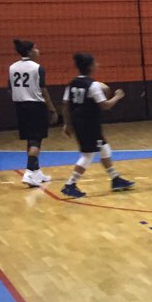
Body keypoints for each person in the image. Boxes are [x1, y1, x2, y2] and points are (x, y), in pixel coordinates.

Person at [60, 52, 135, 198]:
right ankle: (70, 185)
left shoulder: (72, 83)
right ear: (90, 67)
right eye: (95, 63)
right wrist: (117, 97)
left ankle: (115, 179)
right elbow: (105, 105)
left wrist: (67, 124)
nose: (97, 65)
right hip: (89, 124)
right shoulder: (92, 85)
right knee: (88, 155)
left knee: (104, 148)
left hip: (79, 123)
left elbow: (65, 105)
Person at [10, 39, 58, 188]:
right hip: (35, 106)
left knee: (31, 140)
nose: (38, 50)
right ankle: (29, 172)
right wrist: (52, 109)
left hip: (20, 106)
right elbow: (43, 90)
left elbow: (9, 89)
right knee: (36, 140)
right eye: (35, 48)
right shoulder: (37, 68)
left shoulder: (12, 67)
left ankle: (36, 171)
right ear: (30, 52)